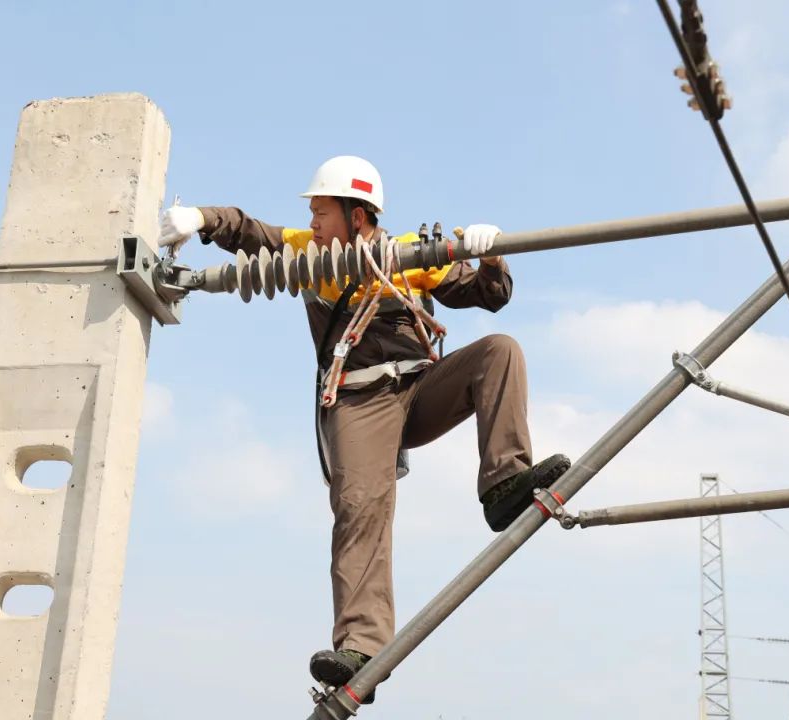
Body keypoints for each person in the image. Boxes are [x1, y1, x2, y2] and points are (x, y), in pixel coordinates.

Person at [158, 156, 570, 702]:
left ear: (357, 216)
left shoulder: (408, 255)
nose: (313, 218)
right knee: (359, 509)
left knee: (501, 352)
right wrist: (201, 219)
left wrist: (491, 257)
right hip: (357, 398)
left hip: (418, 388)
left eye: (322, 209)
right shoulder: (307, 251)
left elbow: (489, 296)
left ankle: (503, 484)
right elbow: (247, 229)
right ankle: (361, 647)